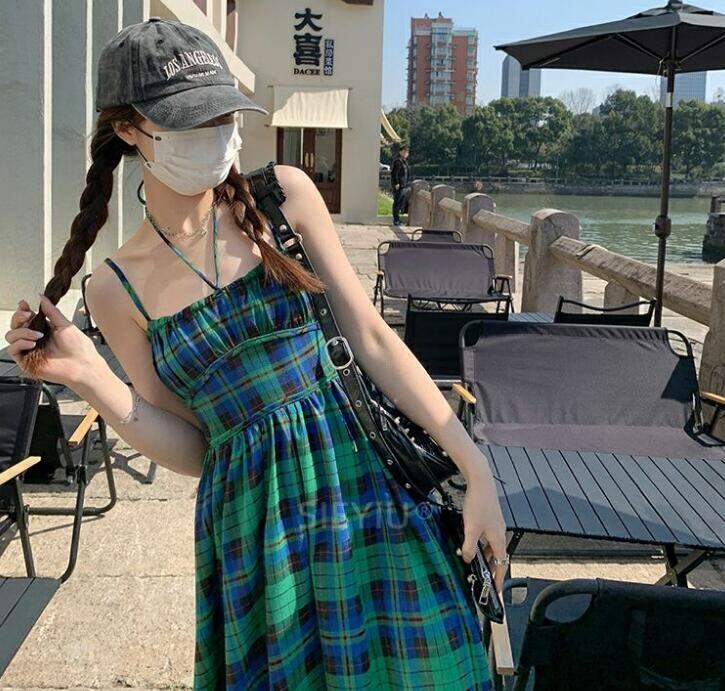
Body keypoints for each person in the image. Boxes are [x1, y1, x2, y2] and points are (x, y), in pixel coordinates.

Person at [5, 17, 506, 690]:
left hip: (367, 491)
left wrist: (475, 468)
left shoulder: (283, 196)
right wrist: (90, 376)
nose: (215, 133)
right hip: (255, 531)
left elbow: (374, 339)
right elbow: (196, 446)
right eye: (188, 121)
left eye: (222, 114)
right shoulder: (113, 288)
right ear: (127, 129)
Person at [390, 143, 410, 226]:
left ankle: (398, 219)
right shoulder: (398, 161)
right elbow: (394, 173)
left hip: (404, 185)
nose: (406, 153)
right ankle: (396, 220)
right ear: (400, 152)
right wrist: (396, 183)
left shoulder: (404, 162)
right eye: (404, 151)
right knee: (397, 203)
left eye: (407, 152)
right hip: (399, 185)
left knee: (401, 203)